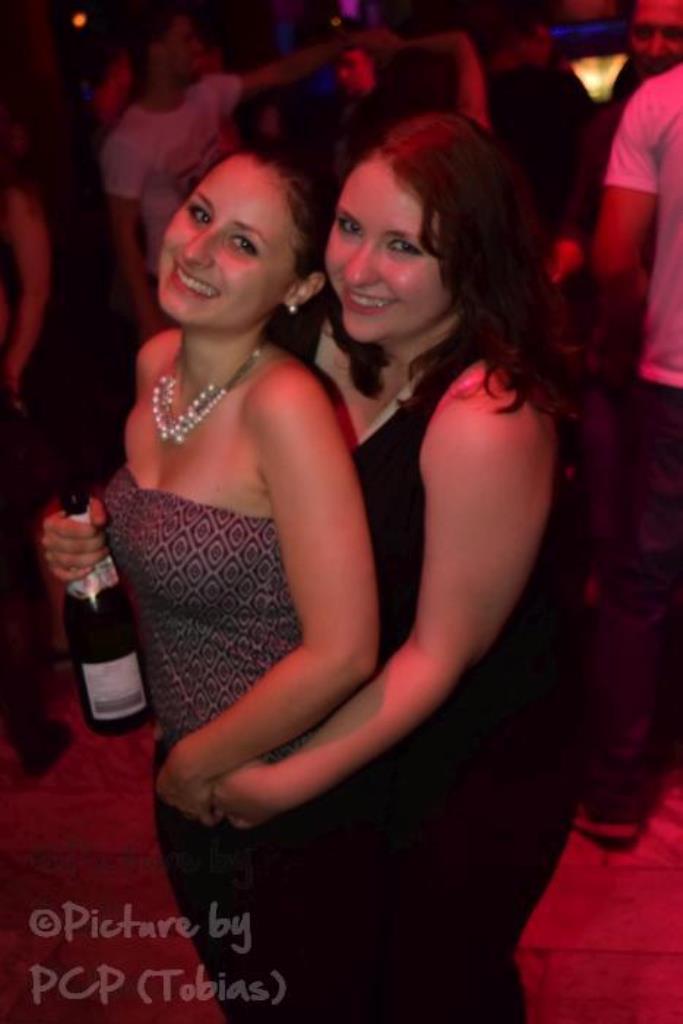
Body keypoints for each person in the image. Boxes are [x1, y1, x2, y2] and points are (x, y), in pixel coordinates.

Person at [45, 114, 575, 1022]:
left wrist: (268, 783)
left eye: (403, 246)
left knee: (432, 989)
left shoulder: (487, 415)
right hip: (346, 716)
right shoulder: (315, 333)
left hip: (465, 750)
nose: (358, 268)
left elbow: (437, 656)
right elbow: (196, 447)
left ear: (473, 260)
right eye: (350, 228)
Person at [101, 3, 391, 343]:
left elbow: (279, 72)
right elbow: (124, 235)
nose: (197, 47)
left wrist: (346, 43)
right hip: (179, 274)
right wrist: (147, 316)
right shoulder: (130, 140)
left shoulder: (206, 95)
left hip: (233, 268)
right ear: (156, 49)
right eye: (186, 38)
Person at [574, 62, 683, 846]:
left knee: (639, 584)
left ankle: (614, 792)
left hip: (672, 377)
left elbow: (613, 255)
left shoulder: (660, 100)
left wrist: (622, 337)